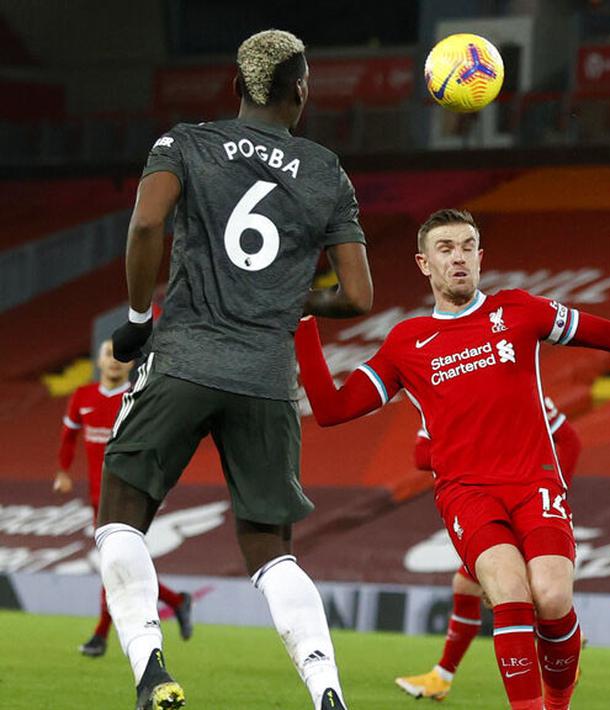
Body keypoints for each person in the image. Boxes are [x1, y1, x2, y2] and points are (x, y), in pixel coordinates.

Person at [296, 208, 610, 710]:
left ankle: (558, 703)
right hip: (467, 493)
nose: (459, 258)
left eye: (468, 246)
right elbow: (333, 410)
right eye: (446, 249)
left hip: (535, 482)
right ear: (424, 264)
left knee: (553, 598)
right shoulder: (408, 342)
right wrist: (301, 321)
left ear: (481, 256)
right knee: (510, 592)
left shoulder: (519, 311)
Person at [96, 29, 372, 710]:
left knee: (122, 515)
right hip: (268, 381)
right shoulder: (326, 170)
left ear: (234, 88)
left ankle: (151, 670)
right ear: (300, 92)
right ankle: (327, 691)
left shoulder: (185, 143)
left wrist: (136, 320)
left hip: (184, 358)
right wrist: (290, 295)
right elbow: (360, 296)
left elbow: (143, 226)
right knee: (271, 549)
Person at [395, 396, 582, 700]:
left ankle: (556, 656)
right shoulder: (448, 393)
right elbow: (420, 455)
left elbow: (569, 442)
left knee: (533, 593)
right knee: (474, 586)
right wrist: (479, 448)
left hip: (531, 501)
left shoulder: (524, 391)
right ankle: (443, 675)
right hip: (486, 501)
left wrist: (552, 495)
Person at [54, 339, 195, 658]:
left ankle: (100, 636)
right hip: (96, 497)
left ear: (132, 364)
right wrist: (62, 471)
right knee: (121, 564)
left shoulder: (137, 396)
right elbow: (68, 436)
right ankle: (175, 601)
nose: (115, 360)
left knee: (114, 564)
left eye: (122, 355)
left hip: (128, 493)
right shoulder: (82, 396)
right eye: (108, 354)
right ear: (98, 361)